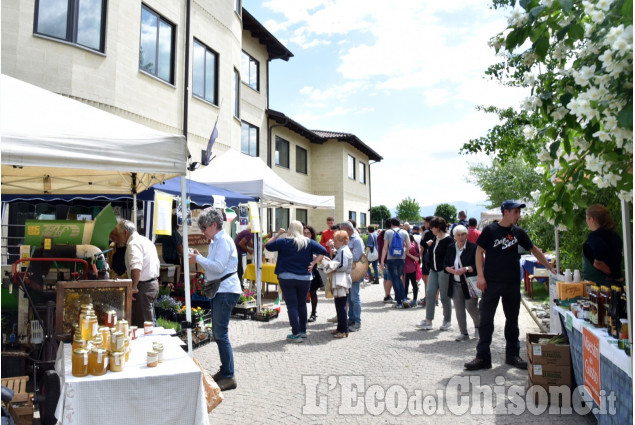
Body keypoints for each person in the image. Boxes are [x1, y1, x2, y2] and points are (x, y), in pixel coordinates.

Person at [464, 200, 556, 371]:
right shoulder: (490, 230)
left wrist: (549, 267)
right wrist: (481, 276)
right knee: (485, 321)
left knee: (512, 321)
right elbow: (479, 252)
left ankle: (512, 355)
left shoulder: (518, 232)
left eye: (519, 212)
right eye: (515, 212)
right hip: (491, 283)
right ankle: (482, 357)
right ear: (505, 212)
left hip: (512, 283)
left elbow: (534, 249)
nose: (518, 215)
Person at [188, 208, 241, 391]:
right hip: (221, 290)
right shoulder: (216, 242)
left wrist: (199, 258)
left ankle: (229, 375)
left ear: (213, 224)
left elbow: (218, 267)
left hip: (226, 290)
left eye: (204, 227)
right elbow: (215, 267)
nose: (202, 231)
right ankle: (225, 370)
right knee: (219, 333)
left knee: (221, 334)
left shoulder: (223, 241)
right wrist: (200, 257)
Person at [266, 220, 328, 342]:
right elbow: (324, 251)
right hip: (304, 277)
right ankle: (303, 330)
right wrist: (313, 263)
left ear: (290, 229)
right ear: (300, 230)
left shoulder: (283, 241)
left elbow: (268, 245)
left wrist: (277, 234)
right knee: (302, 304)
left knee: (292, 305)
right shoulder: (308, 242)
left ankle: (296, 333)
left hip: (286, 277)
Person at [111, 220, 160, 328]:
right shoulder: (144, 240)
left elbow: (136, 268)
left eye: (118, 235)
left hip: (142, 287)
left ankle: (150, 344)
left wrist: (133, 288)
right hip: (150, 284)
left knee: (144, 326)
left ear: (125, 233)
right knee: (148, 321)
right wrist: (123, 277)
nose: (117, 239)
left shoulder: (133, 244)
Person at [416, 217, 454, 330]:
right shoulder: (434, 237)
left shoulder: (449, 240)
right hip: (433, 270)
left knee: (444, 297)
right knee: (430, 293)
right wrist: (429, 245)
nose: (430, 229)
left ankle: (447, 321)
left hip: (444, 271)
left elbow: (450, 257)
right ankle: (428, 321)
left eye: (432, 227)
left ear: (437, 227)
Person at [444, 225, 480, 342]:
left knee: (471, 307)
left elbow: (478, 265)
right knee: (459, 310)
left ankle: (478, 326)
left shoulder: (473, 248)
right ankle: (463, 332)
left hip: (469, 284)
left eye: (463, 234)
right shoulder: (450, 247)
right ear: (454, 236)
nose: (460, 237)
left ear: (466, 235)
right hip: (455, 283)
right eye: (458, 235)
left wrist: (466, 268)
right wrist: (449, 269)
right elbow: (444, 263)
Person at [582, 204, 623, 285]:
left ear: (592, 219)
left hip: (600, 285)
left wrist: (598, 263)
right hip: (617, 282)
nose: (587, 222)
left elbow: (600, 248)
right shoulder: (615, 235)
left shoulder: (594, 236)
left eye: (587, 219)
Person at [325, 230, 353, 338]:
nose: (334, 242)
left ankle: (343, 330)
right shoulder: (342, 249)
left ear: (342, 241)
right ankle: (340, 328)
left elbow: (342, 266)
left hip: (342, 281)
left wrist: (333, 268)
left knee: (340, 306)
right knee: (340, 305)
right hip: (344, 280)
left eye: (336, 240)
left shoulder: (342, 251)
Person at [380, 217, 411, 308]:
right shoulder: (404, 232)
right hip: (401, 258)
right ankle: (404, 298)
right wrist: (403, 250)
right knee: (399, 278)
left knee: (395, 279)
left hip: (391, 259)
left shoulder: (388, 232)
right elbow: (409, 246)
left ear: (391, 224)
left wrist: (382, 261)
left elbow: (385, 248)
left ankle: (400, 302)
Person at [340, 221, 365, 331]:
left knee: (355, 297)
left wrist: (343, 254)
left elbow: (356, 257)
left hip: (355, 273)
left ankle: (357, 321)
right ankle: (351, 318)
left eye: (343, 231)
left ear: (349, 230)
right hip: (349, 272)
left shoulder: (357, 240)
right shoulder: (349, 239)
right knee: (350, 298)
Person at [304, 225, 325, 323]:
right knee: (302, 294)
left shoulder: (314, 244)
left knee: (313, 292)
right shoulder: (301, 243)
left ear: (311, 234)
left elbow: (322, 253)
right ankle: (302, 313)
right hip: (302, 270)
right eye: (304, 233)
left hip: (312, 270)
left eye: (307, 233)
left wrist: (314, 261)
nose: (305, 234)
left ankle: (313, 313)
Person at [419, 216, 436, 307]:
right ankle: (435, 299)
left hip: (428, 259)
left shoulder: (427, 232)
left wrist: (422, 257)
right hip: (436, 259)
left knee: (427, 279)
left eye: (425, 223)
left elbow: (422, 247)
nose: (424, 224)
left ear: (429, 223)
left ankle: (428, 298)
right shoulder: (439, 232)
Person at [378, 219, 394, 303]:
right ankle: (387, 296)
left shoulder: (380, 234)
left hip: (381, 258)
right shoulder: (389, 234)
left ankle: (386, 294)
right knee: (390, 278)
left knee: (386, 278)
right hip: (388, 258)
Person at [403, 234, 420, 306]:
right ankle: (412, 300)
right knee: (412, 284)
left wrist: (408, 254)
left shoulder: (411, 247)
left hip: (409, 268)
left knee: (409, 284)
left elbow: (417, 258)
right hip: (410, 268)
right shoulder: (412, 246)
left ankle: (407, 299)